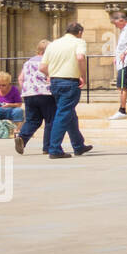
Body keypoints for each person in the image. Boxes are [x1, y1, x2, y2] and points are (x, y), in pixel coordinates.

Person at [40, 22, 92, 158]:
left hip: (55, 82)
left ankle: (78, 145)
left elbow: (42, 67)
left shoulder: (53, 44)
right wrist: (83, 76)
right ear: (80, 32)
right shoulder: (78, 42)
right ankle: (54, 149)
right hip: (69, 82)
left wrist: (50, 76)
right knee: (63, 114)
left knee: (69, 113)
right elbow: (80, 57)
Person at [14, 40, 56, 155]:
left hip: (29, 94)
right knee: (50, 120)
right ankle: (47, 147)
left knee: (32, 120)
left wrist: (27, 89)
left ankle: (22, 138)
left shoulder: (28, 62)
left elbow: (20, 78)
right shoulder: (47, 62)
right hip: (45, 94)